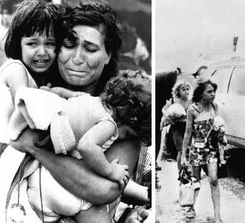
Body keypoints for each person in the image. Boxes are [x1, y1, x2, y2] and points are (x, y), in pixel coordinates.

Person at [2, 2, 150, 222]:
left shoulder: (124, 113)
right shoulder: (37, 91)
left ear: (108, 55)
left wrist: (32, 144)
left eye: (90, 49)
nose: (78, 58)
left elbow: (104, 190)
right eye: (69, 45)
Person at [0, 0, 61, 155]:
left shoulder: (41, 78)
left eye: (50, 43)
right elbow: (26, 103)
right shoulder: (15, 69)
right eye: (32, 44)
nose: (42, 52)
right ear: (17, 44)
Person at [181, 80, 223, 223]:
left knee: (214, 179)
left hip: (211, 149)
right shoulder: (192, 109)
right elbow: (187, 133)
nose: (213, 94)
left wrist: (221, 134)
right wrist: (183, 155)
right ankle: (189, 209)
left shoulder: (214, 106)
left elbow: (217, 127)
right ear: (201, 93)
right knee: (195, 182)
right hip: (197, 150)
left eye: (214, 91)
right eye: (209, 91)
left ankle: (217, 217)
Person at [161, 79, 192, 172]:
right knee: (181, 151)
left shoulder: (191, 102)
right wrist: (169, 117)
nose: (186, 91)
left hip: (188, 129)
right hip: (177, 129)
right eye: (183, 89)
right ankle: (180, 172)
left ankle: (188, 171)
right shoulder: (174, 102)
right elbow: (165, 111)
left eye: (187, 89)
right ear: (178, 91)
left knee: (189, 150)